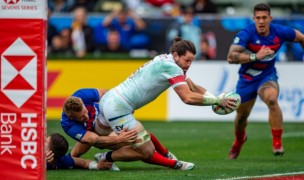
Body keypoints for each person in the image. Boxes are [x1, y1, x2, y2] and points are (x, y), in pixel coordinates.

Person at [97, 37, 237, 170]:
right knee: (146, 151)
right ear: (176, 55)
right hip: (118, 108)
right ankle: (106, 158)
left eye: (191, 61)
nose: (189, 65)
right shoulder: (172, 67)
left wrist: (215, 98)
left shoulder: (166, 59)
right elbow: (187, 97)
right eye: (187, 60)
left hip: (109, 99)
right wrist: (218, 101)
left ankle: (77, 159)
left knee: (97, 138)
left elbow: (194, 87)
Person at [226, 3, 304, 159]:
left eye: (264, 18)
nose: (261, 22)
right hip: (247, 79)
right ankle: (239, 140)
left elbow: (301, 38)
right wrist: (255, 56)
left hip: (267, 76)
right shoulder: (246, 33)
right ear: (253, 19)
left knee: (271, 99)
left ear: (270, 18)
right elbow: (230, 57)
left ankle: (277, 143)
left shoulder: (280, 31)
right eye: (258, 18)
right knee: (241, 117)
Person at [61, 88, 180, 170]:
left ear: (83, 103)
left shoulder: (82, 95)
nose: (86, 116)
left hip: (107, 121)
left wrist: (122, 107)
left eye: (86, 112)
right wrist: (119, 139)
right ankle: (173, 164)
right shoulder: (68, 124)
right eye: (81, 117)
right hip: (94, 134)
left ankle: (166, 154)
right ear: (71, 117)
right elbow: (95, 140)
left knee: (141, 136)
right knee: (139, 147)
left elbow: (108, 95)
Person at [46, 132, 113, 170]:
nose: (42, 139)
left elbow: (84, 163)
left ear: (51, 155)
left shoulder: (63, 160)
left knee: (90, 137)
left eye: (45, 142)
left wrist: (98, 166)